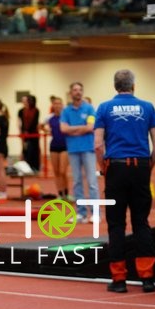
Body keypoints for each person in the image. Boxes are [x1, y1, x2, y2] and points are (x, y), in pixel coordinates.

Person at [94, 69, 155, 293]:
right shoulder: (148, 107)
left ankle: (119, 279)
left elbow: (97, 145)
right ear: (134, 85)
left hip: (116, 167)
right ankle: (147, 278)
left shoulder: (104, 108)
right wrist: (148, 166)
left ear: (116, 86)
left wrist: (104, 167)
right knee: (141, 222)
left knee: (116, 224)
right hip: (140, 165)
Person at [60, 82, 98, 223]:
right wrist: (81, 128)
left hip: (88, 149)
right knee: (77, 182)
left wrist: (73, 129)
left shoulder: (89, 108)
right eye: (75, 90)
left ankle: (95, 213)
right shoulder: (66, 111)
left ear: (82, 92)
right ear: (71, 93)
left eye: (80, 90)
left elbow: (90, 127)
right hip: (73, 150)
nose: (77, 92)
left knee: (92, 182)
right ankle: (81, 213)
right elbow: (63, 129)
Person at [44, 96, 70, 199]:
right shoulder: (50, 118)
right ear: (53, 105)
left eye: (59, 103)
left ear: (62, 105)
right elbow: (41, 126)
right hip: (54, 146)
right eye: (55, 103)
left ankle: (66, 193)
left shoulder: (66, 117)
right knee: (56, 172)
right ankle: (60, 193)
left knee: (63, 171)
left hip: (65, 146)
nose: (57, 105)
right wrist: (47, 131)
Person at [18, 95, 40, 172]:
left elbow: (35, 122)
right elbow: (20, 122)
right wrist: (22, 131)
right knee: (26, 150)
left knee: (34, 150)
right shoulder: (21, 111)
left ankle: (35, 167)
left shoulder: (36, 110)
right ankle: (26, 166)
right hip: (25, 134)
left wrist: (29, 131)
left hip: (33, 133)